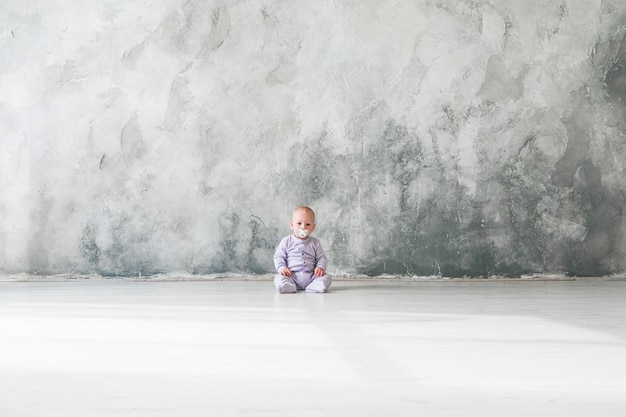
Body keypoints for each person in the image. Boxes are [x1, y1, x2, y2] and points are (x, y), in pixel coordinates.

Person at [273, 206, 332, 293]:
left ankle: (315, 286)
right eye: (299, 223)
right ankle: (287, 286)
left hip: (311, 276)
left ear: (313, 227)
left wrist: (320, 267)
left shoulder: (315, 243)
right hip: (291, 276)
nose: (303, 227)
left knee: (328, 278)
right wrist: (282, 268)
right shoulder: (286, 241)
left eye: (308, 224)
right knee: (278, 278)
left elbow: (321, 258)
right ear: (292, 225)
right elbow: (278, 256)